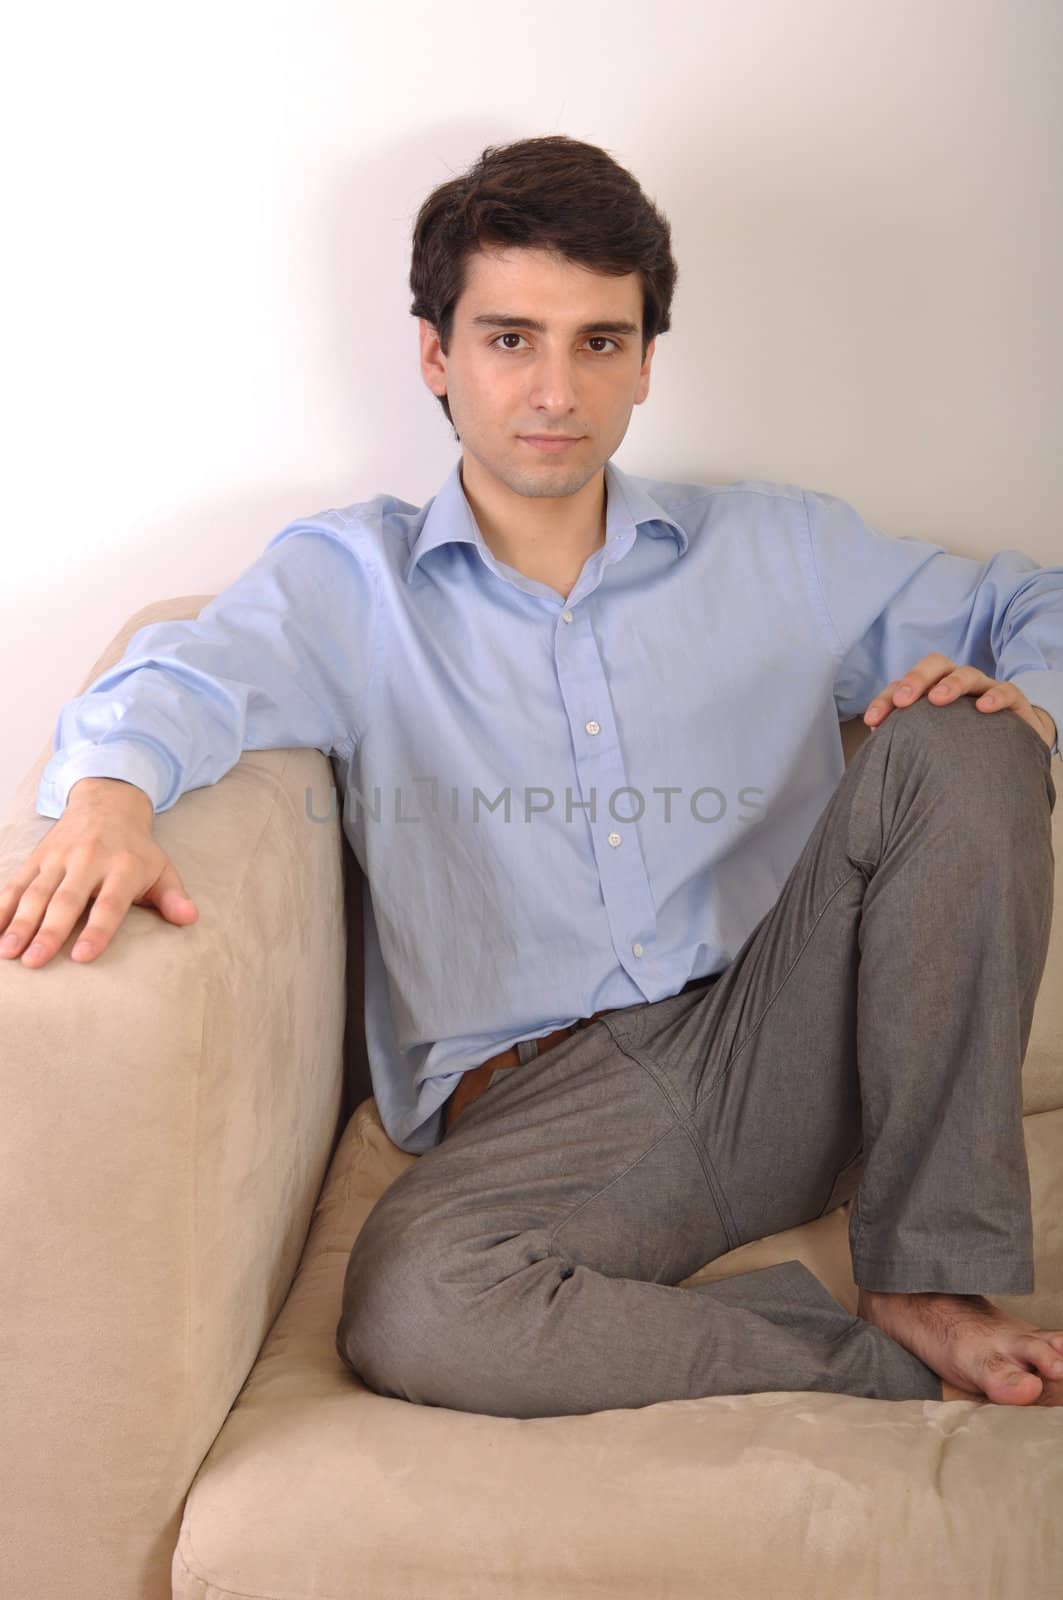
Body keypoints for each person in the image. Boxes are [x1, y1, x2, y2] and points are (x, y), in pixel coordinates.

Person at [4, 134, 1063, 1416]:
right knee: (414, 1302)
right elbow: (178, 674)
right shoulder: (352, 587)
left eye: (598, 343)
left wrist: (1036, 706)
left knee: (970, 735)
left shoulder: (778, 549)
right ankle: (871, 1364)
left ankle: (929, 1279)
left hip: (783, 1039)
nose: (555, 389)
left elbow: (1030, 602)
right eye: (511, 339)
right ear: (436, 356)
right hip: (551, 1116)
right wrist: (109, 796)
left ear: (644, 365)